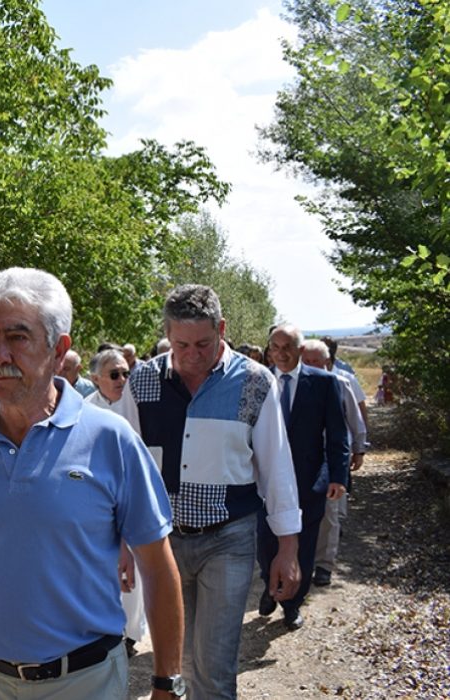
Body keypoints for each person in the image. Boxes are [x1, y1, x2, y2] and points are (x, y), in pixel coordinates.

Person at [0, 268, 184, 700]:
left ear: (58, 349)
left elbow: (157, 566)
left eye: (17, 338)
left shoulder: (111, 440)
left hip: (84, 683)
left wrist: (167, 682)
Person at [115, 284, 301, 699]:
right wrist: (123, 543)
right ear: (167, 333)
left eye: (203, 343)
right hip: (163, 545)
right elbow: (125, 470)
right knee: (178, 664)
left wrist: (287, 549)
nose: (192, 355)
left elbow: (277, 470)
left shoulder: (255, 383)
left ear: (222, 329)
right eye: (181, 344)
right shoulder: (142, 382)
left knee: (214, 668)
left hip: (229, 540)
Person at [257, 325, 348, 631]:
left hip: (307, 480)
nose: (280, 354)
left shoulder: (323, 383)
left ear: (299, 351)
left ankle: (292, 604)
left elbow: (337, 432)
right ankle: (270, 587)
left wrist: (338, 475)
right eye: (275, 347)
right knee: (266, 542)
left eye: (287, 348)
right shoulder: (258, 380)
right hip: (263, 481)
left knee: (303, 544)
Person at [84, 346, 147, 657]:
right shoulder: (84, 410)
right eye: (114, 374)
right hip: (100, 499)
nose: (122, 379)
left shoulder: (140, 402)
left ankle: (131, 634)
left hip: (136, 496)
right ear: (96, 379)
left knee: (135, 569)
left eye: (126, 372)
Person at [301, 340, 367, 587]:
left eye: (315, 362)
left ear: (326, 362)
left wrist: (359, 450)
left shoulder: (341, 384)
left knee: (330, 515)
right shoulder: (293, 385)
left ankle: (324, 565)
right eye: (306, 361)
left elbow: (355, 420)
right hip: (303, 459)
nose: (310, 366)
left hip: (332, 458)